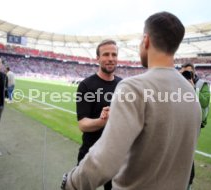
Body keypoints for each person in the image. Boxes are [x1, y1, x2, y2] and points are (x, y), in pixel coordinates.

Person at [60, 12, 202, 190]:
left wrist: (71, 183)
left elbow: (105, 159)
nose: (110, 58)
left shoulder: (131, 87)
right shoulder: (191, 93)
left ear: (146, 40)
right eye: (106, 55)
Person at [75, 39, 122, 190]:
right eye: (106, 54)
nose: (110, 58)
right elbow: (82, 124)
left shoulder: (123, 85)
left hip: (116, 155)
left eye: (114, 54)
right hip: (91, 154)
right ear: (98, 58)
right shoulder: (86, 85)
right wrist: (102, 121)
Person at [180, 63, 211, 190]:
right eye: (184, 73)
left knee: (187, 150)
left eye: (188, 73)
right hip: (180, 121)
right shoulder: (179, 83)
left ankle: (188, 181)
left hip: (195, 122)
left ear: (194, 73)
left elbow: (204, 102)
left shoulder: (202, 84)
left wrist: (192, 89)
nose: (186, 76)